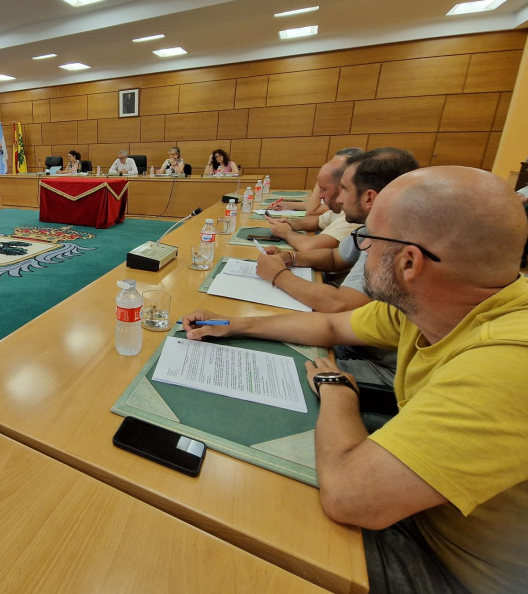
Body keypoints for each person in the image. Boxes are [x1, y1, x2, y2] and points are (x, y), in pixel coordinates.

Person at [184, 166, 528, 593]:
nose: (361, 247)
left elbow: (349, 496)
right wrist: (233, 325)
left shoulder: (510, 365)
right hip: (416, 510)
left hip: (447, 568)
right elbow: (331, 328)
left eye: (370, 239)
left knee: (240, 525)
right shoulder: (433, 300)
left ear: (409, 261)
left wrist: (339, 392)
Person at [256, 148, 419, 385]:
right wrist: (290, 257)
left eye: (345, 189)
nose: (339, 200)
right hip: (349, 339)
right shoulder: (372, 229)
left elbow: (338, 306)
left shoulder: (392, 244)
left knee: (275, 375)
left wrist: (278, 275)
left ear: (370, 198)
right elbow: (335, 258)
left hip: (379, 366)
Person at [267, 148, 363, 251]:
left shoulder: (356, 212)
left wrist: (286, 233)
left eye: (324, 189)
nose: (320, 196)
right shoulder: (343, 208)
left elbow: (310, 246)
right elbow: (319, 220)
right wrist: (291, 224)